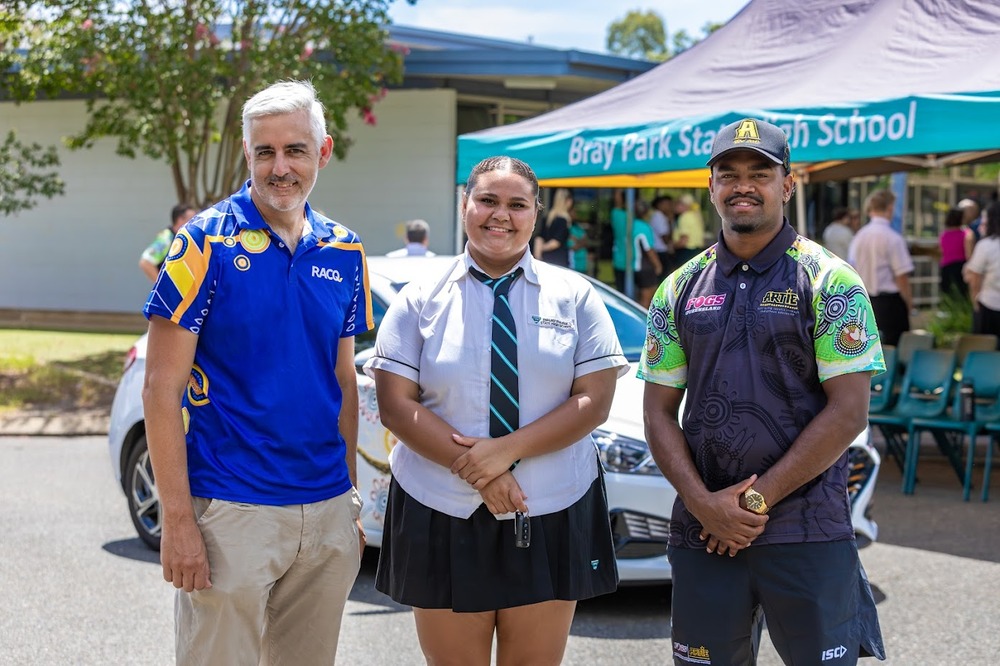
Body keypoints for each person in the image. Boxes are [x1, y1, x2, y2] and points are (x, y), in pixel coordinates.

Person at [639, 117, 886, 666]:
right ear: (710, 187)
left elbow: (849, 413)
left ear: (788, 185)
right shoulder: (677, 288)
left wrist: (752, 502)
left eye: (759, 172)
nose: (742, 185)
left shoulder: (831, 281)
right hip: (704, 534)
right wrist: (707, 506)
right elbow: (657, 413)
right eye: (728, 173)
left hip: (807, 530)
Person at [141, 80, 371, 665]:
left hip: (324, 513)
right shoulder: (201, 243)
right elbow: (160, 388)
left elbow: (343, 383)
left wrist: (347, 496)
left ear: (322, 152)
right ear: (247, 154)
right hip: (229, 510)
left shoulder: (346, 251)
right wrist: (178, 521)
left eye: (295, 150)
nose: (280, 167)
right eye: (264, 152)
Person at [365, 155, 626, 665]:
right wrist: (483, 474)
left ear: (535, 214)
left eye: (516, 204)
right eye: (487, 200)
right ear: (464, 205)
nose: (499, 215)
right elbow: (396, 406)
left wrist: (502, 455)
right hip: (440, 505)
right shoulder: (418, 299)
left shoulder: (574, 296)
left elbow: (593, 401)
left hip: (550, 505)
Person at [849, 189, 914, 346]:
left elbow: (851, 269)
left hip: (863, 302)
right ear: (890, 208)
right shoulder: (893, 238)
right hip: (890, 304)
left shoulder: (858, 237)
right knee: (894, 349)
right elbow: (901, 277)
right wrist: (909, 304)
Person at [964, 201, 1000, 342]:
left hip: (988, 307)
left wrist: (975, 301)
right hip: (988, 304)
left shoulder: (986, 246)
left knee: (985, 353)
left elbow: (975, 279)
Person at [138, 203, 197, 282]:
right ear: (180, 219)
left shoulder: (186, 238)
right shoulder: (167, 238)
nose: (196, 223)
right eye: (192, 219)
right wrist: (162, 287)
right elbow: (146, 262)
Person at [630, 198, 662, 308]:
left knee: (638, 297)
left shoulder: (630, 225)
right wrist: (657, 265)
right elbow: (649, 249)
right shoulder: (644, 227)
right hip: (644, 266)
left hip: (633, 265)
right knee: (646, 299)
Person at [533, 187, 572, 267]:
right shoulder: (563, 220)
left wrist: (539, 250)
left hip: (545, 259)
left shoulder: (548, 218)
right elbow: (556, 243)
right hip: (559, 260)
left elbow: (540, 237)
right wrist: (543, 248)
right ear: (568, 201)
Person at [939, 207, 970, 298]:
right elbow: (969, 255)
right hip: (961, 268)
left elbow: (941, 252)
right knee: (962, 297)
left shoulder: (943, 234)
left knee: (948, 298)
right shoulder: (967, 233)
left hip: (946, 268)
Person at [672, 193, 706, 265]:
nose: (674, 207)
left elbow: (684, 240)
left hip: (686, 253)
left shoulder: (684, 217)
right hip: (697, 251)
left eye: (677, 204)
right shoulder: (695, 215)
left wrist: (672, 247)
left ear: (684, 205)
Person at [649, 194, 675, 281]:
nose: (671, 207)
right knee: (664, 278)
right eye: (668, 204)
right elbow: (665, 237)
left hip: (660, 250)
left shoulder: (660, 216)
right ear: (660, 205)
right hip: (661, 251)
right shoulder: (659, 216)